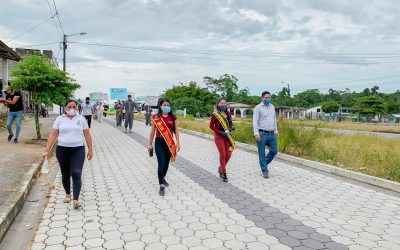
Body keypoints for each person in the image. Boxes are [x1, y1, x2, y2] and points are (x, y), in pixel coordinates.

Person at [43, 99, 93, 209]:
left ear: (77, 108)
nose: (72, 109)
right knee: (65, 173)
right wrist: (47, 150)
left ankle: (75, 199)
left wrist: (90, 149)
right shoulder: (59, 119)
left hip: (78, 150)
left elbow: (87, 135)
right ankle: (67, 194)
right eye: (69, 107)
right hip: (62, 150)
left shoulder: (82, 119)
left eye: (74, 107)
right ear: (65, 108)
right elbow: (53, 135)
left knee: (76, 172)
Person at [148, 98, 180, 196]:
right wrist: (149, 144)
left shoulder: (173, 117)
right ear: (160, 106)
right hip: (159, 143)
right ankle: (161, 185)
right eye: (164, 105)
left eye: (168, 105)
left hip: (169, 143)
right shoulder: (156, 117)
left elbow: (176, 130)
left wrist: (178, 142)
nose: (166, 107)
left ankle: (163, 177)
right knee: (161, 163)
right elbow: (153, 131)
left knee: (166, 164)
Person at [253, 91, 278, 179]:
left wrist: (276, 131)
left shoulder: (272, 107)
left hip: (271, 133)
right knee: (262, 153)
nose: (268, 99)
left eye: (269, 98)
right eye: (266, 98)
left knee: (274, 151)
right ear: (262, 98)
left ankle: (263, 164)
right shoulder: (258, 108)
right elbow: (255, 121)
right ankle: (265, 170)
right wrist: (256, 133)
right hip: (262, 133)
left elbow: (274, 120)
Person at [210, 98, 236, 182]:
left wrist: (231, 127)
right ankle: (223, 173)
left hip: (227, 136)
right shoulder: (215, 114)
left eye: (225, 103)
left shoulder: (228, 113)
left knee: (229, 154)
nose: (223, 105)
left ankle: (221, 167)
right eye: (221, 103)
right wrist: (220, 132)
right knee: (223, 155)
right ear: (218, 105)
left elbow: (231, 123)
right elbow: (211, 126)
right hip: (219, 137)